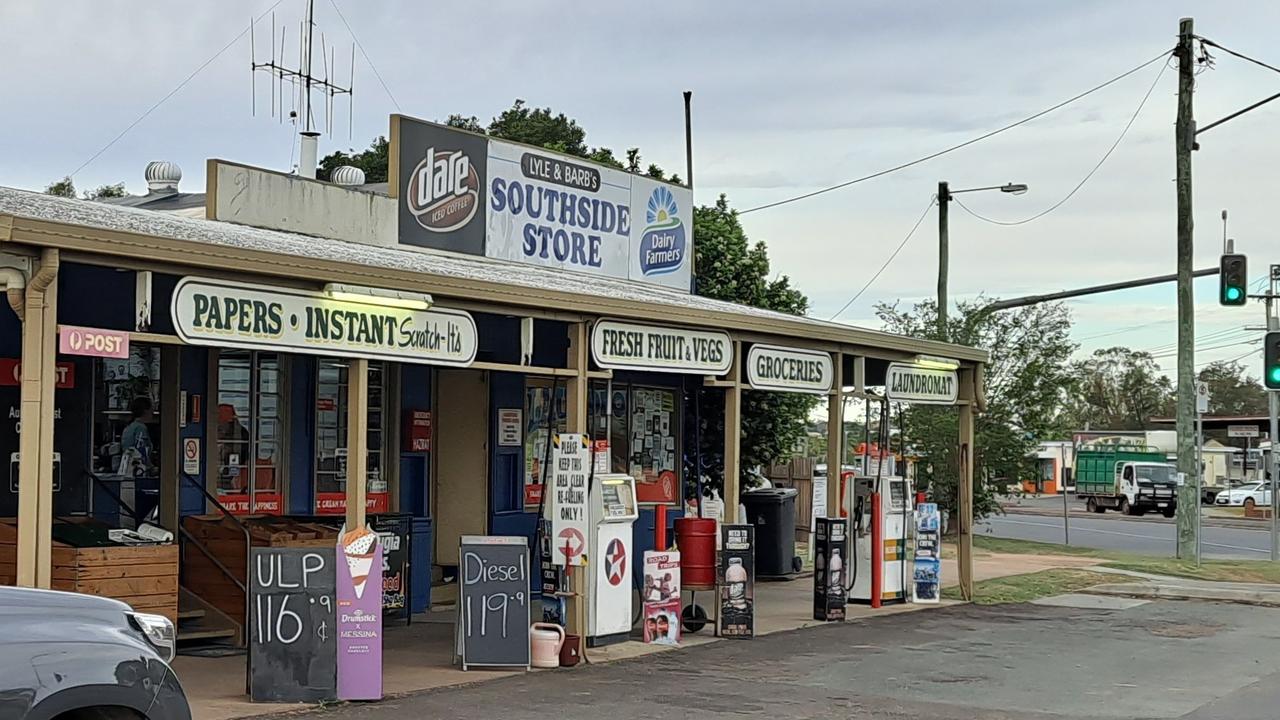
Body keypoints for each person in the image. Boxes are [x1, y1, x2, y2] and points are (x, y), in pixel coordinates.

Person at [120, 396, 155, 474]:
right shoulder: (140, 428)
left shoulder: (129, 427)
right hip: (137, 470)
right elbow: (142, 451)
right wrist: (151, 467)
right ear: (146, 411)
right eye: (152, 409)